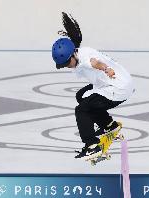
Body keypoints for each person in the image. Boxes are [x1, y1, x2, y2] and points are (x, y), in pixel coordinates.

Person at [51, 12, 134, 160]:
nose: (67, 66)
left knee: (81, 110)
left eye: (67, 63)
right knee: (81, 96)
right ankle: (109, 126)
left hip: (117, 87)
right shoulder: (78, 53)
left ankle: (91, 146)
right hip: (118, 82)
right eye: (63, 65)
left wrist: (106, 69)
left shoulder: (84, 58)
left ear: (73, 55)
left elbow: (95, 63)